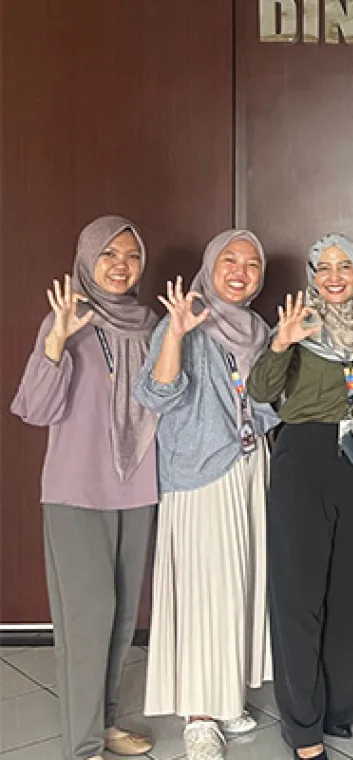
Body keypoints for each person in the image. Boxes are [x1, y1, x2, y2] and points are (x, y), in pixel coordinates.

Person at [10, 216, 159, 760]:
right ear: (87, 260)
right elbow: (35, 409)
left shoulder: (151, 324)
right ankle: (84, 745)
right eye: (108, 255)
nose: (121, 266)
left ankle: (109, 721)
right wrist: (55, 341)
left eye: (131, 255)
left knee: (121, 618)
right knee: (86, 617)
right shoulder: (67, 318)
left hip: (137, 485)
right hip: (76, 490)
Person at [248, 234, 353, 760]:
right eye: (324, 267)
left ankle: (340, 708)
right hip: (303, 460)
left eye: (345, 267)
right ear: (312, 275)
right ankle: (304, 725)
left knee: (350, 592)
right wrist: (280, 344)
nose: (335, 276)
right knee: (299, 595)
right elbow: (260, 392)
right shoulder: (295, 325)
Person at [135, 230, 277, 760]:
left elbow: (265, 406)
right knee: (201, 591)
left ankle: (227, 694)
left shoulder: (258, 329)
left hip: (248, 467)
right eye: (229, 260)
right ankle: (199, 713)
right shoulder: (187, 318)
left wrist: (281, 352)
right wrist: (174, 335)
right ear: (209, 266)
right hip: (197, 472)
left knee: (239, 583)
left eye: (252, 264)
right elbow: (158, 394)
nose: (240, 271)